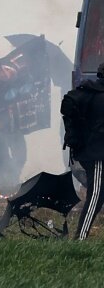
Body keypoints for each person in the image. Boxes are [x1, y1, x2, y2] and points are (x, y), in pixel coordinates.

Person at [61, 62, 104, 240]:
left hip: (91, 152)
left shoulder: (89, 92)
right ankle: (80, 239)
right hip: (97, 154)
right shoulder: (98, 97)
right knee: (96, 195)